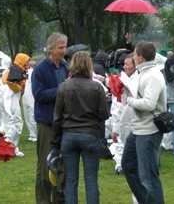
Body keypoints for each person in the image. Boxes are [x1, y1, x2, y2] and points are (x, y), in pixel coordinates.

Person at [53, 51, 109, 204]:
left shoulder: (63, 87)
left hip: (69, 135)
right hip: (90, 134)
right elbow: (104, 114)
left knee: (71, 180)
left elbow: (57, 117)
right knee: (91, 180)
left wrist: (56, 139)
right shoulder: (96, 87)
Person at [122, 41, 166, 204]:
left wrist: (131, 101)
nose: (132, 57)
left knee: (149, 178)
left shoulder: (153, 75)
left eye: (134, 54)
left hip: (149, 131)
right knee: (128, 165)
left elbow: (149, 104)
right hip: (138, 130)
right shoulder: (143, 73)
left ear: (140, 57)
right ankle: (145, 201)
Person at [31, 32, 69, 204]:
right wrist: (62, 88)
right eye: (60, 47)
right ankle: (43, 200)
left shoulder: (65, 67)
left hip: (63, 123)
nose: (63, 50)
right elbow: (39, 95)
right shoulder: (40, 69)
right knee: (46, 164)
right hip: (47, 123)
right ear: (50, 49)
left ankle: (60, 200)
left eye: (65, 47)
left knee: (61, 164)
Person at [0, 53, 30, 156]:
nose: (27, 64)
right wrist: (20, 87)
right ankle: (8, 147)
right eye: (26, 61)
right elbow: (11, 82)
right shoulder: (16, 69)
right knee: (15, 122)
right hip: (9, 99)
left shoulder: (16, 69)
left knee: (8, 122)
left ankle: (8, 147)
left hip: (6, 98)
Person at [109, 53, 137, 175]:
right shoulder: (120, 80)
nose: (124, 66)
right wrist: (115, 127)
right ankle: (120, 166)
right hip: (123, 118)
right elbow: (117, 106)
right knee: (121, 140)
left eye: (127, 64)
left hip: (136, 118)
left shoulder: (138, 79)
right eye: (124, 63)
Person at [23, 60, 38, 142]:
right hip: (30, 96)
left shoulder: (29, 72)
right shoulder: (32, 73)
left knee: (28, 116)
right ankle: (33, 134)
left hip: (27, 95)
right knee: (31, 115)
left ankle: (33, 134)